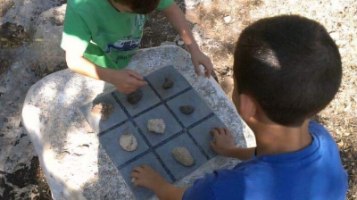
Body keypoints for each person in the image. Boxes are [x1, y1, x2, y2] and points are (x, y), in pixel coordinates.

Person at [130, 15, 348, 200]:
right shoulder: (321, 137)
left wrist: (158, 184)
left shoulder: (231, 188)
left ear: (247, 106)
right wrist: (231, 151)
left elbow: (182, 196)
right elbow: (275, 157)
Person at [61, 0, 213, 94]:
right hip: (98, 64)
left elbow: (171, 9)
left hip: (127, 50)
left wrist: (194, 49)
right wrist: (112, 76)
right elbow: (73, 60)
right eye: (130, 12)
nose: (136, 15)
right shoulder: (81, 6)